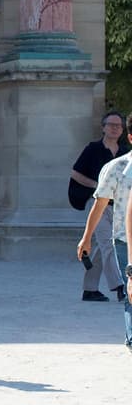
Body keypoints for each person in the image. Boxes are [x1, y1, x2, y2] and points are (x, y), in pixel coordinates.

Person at [77, 120, 132, 352]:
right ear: (130, 138)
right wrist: (87, 237)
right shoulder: (117, 168)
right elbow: (99, 204)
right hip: (124, 238)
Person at [71, 112, 129, 301]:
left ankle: (89, 288)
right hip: (98, 204)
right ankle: (120, 286)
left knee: (99, 248)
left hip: (119, 206)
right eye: (110, 124)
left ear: (123, 130)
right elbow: (76, 174)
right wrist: (98, 187)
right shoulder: (93, 149)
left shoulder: (124, 152)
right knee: (108, 244)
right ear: (103, 127)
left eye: (118, 126)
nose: (114, 128)